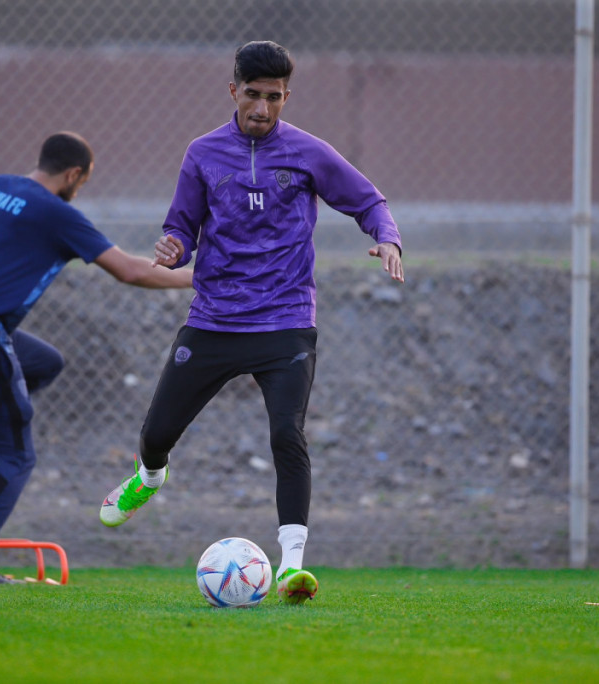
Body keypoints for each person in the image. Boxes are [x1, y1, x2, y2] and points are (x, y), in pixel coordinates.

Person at [98, 41, 404, 604]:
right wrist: (173, 247)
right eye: (253, 95)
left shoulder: (308, 152)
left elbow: (369, 201)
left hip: (285, 321)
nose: (263, 109)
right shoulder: (203, 153)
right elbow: (181, 227)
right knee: (157, 434)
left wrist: (387, 238)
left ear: (287, 97)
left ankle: (292, 569)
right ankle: (149, 477)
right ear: (233, 89)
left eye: (275, 98)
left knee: (287, 434)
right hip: (215, 318)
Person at [0, 131, 193, 583]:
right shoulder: (56, 214)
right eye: (84, 182)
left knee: (42, 362)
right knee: (16, 456)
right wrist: (202, 277)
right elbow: (129, 270)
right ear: (74, 175)